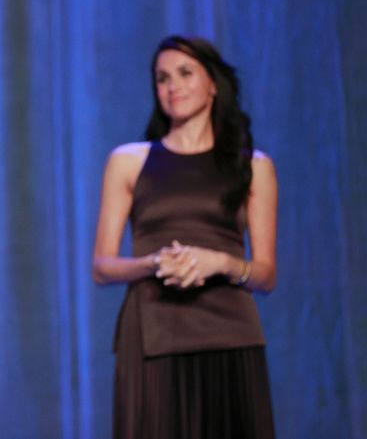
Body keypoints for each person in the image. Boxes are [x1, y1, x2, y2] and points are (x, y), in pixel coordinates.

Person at [92, 35, 277, 439]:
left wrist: (221, 263)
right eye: (162, 78)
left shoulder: (254, 166)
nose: (172, 86)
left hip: (230, 336)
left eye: (184, 73)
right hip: (153, 334)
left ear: (212, 84)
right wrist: (154, 262)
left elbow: (264, 275)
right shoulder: (129, 161)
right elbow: (102, 266)